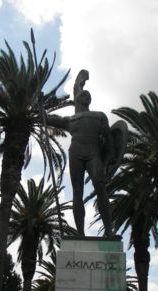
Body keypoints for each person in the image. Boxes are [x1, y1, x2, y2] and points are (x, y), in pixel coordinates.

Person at [48, 70, 114, 237]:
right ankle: (80, 233)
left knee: (101, 189)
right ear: (76, 99)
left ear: (90, 100)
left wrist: (106, 163)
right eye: (81, 94)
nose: (85, 95)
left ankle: (109, 231)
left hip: (94, 154)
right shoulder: (70, 120)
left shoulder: (99, 117)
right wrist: (42, 112)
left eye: (87, 94)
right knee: (77, 192)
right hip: (75, 153)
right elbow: (51, 119)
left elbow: (110, 143)